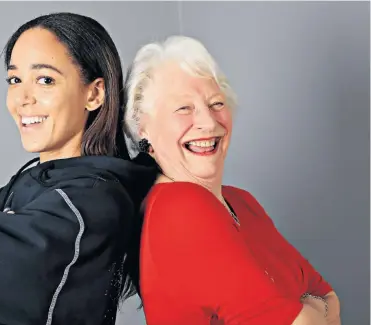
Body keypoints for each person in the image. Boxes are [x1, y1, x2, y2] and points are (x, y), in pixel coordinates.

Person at [0, 13, 157, 325]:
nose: (22, 99)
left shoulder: (89, 201)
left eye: (45, 80)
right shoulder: (43, 180)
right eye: (15, 80)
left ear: (94, 94)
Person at [123, 36, 341, 325]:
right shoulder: (178, 207)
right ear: (142, 127)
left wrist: (312, 309)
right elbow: (315, 313)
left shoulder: (242, 202)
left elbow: (331, 298)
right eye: (183, 109)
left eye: (216, 103)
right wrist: (310, 306)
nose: (209, 123)